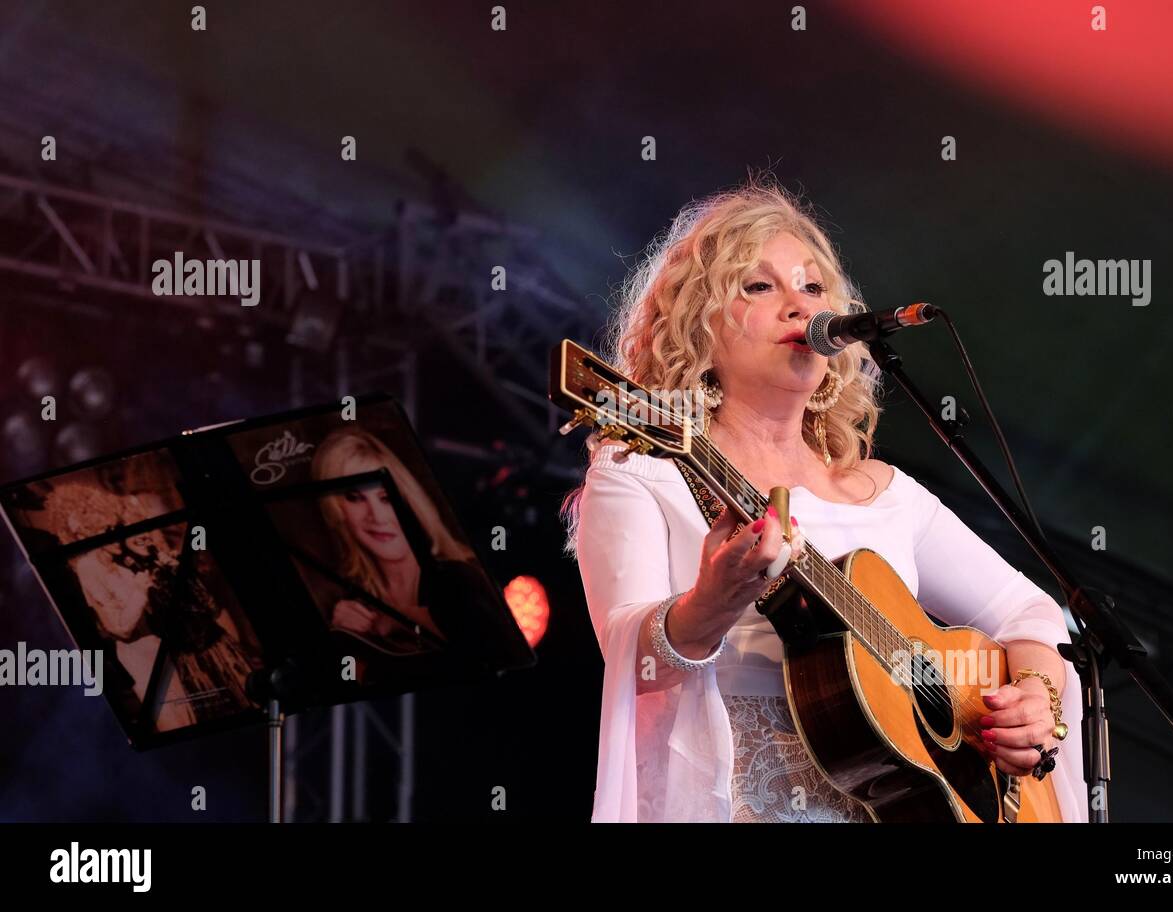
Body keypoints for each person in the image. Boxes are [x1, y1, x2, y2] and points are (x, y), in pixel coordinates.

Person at [565, 178, 1087, 822]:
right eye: (758, 286)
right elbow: (632, 665)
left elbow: (1031, 611)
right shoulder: (647, 471)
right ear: (695, 321)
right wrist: (711, 601)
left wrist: (1037, 697)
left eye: (812, 288)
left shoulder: (885, 493)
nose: (798, 306)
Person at [311, 427, 479, 656]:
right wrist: (341, 637)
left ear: (411, 502)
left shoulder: (460, 576)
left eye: (386, 498)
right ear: (335, 509)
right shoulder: (349, 600)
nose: (377, 517)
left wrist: (396, 617)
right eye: (354, 498)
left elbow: (481, 644)